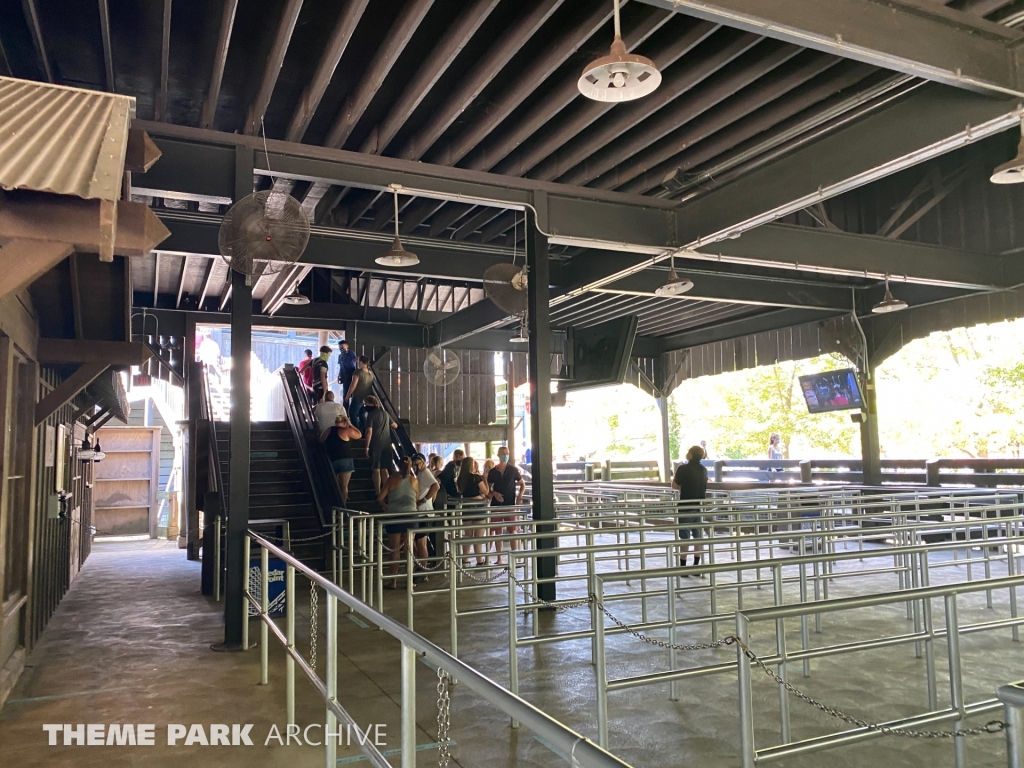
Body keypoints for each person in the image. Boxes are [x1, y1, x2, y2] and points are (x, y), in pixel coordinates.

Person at [377, 458, 420, 588]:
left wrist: (385, 506)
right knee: (409, 550)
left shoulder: (391, 480)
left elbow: (380, 498)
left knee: (394, 550)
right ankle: (409, 581)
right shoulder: (414, 480)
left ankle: (393, 581)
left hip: (394, 517)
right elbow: (416, 498)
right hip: (411, 517)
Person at [487, 446, 526, 565]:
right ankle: (499, 558)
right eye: (503, 453)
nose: (505, 455)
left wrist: (519, 496)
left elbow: (522, 484)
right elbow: (487, 489)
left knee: (513, 530)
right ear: (498, 455)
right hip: (496, 505)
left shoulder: (513, 470)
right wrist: (494, 494)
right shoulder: (493, 471)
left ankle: (516, 557)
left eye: (507, 453)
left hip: (510, 503)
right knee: (497, 530)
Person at [672, 445, 708, 572]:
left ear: (691, 455)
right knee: (698, 536)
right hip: (699, 506)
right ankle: (696, 565)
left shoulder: (683, 468)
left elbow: (674, 484)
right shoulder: (704, 469)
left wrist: (682, 487)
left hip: (685, 505)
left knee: (684, 537)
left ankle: (683, 566)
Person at [319, 414, 361, 507]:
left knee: (335, 484)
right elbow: (359, 435)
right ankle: (342, 507)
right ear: (345, 422)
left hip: (332, 459)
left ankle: (333, 504)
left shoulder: (328, 430)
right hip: (346, 459)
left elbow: (321, 440)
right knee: (344, 486)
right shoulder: (346, 430)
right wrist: (350, 425)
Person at [456, 456, 490, 566]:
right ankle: (480, 560)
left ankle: (465, 560)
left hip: (466, 507)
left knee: (467, 535)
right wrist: (485, 478)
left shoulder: (460, 479)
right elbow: (485, 491)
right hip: (478, 507)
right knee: (478, 536)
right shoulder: (476, 478)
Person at [363, 396, 397, 495]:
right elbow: (395, 425)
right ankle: (387, 491)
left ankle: (378, 491)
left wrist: (366, 447)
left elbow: (369, 432)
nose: (365, 406)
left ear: (370, 404)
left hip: (376, 444)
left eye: (366, 404)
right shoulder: (385, 413)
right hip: (387, 444)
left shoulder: (371, 415)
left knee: (376, 469)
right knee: (384, 469)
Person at [345, 356, 375, 430]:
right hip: (367, 397)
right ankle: (364, 431)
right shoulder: (370, 373)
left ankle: (356, 430)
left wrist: (347, 395)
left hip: (358, 396)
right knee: (362, 414)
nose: (357, 363)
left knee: (352, 413)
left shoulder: (358, 372)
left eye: (358, 361)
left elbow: (353, 385)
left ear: (361, 362)